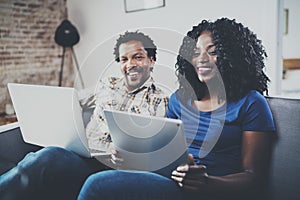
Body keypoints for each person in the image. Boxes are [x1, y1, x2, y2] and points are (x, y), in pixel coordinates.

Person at [77, 17, 276, 200]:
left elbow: (253, 177)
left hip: (210, 188)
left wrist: (206, 182)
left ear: (233, 57)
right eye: (196, 53)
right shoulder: (179, 99)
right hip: (170, 179)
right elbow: (162, 154)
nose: (201, 59)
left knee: (98, 185)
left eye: (213, 52)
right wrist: (129, 156)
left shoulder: (251, 103)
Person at [0, 31, 169, 200]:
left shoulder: (160, 100)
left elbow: (154, 150)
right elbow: (73, 100)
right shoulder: (107, 85)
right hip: (84, 158)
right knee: (43, 156)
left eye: (138, 57)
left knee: (51, 164)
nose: (130, 64)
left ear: (151, 61)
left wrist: (130, 153)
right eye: (124, 59)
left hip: (116, 169)